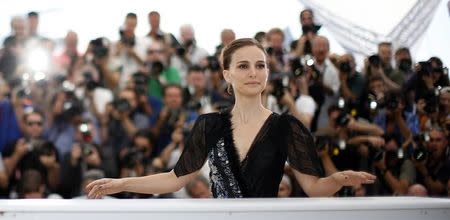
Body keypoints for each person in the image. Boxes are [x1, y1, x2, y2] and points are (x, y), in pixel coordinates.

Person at [87, 38, 375, 199]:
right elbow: (174, 180)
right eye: (243, 65)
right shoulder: (209, 124)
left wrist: (338, 179)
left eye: (260, 65)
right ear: (227, 74)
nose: (253, 72)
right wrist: (123, 183)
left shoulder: (287, 126)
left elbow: (314, 188)